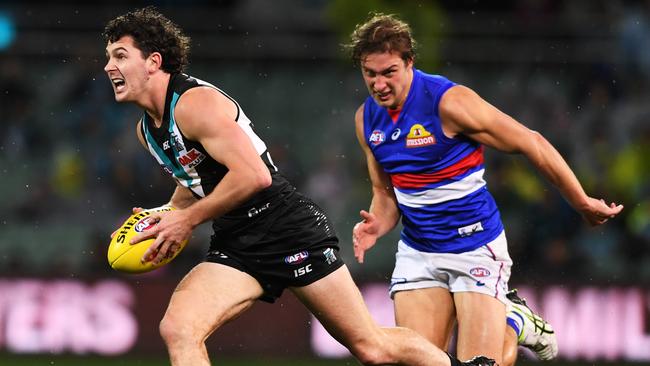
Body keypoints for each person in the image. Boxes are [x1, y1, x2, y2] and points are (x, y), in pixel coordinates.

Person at [102, 7, 495, 366]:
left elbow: (254, 176)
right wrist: (166, 215)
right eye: (109, 57)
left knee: (371, 348)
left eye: (120, 55)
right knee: (178, 328)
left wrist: (186, 222)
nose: (108, 66)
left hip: (286, 226)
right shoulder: (147, 131)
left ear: (154, 62)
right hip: (237, 239)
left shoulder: (195, 104)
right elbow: (192, 186)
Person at [346, 13, 624, 366]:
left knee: (481, 364)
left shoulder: (448, 102)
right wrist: (376, 226)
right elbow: (385, 194)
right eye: (370, 74)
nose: (379, 84)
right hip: (420, 251)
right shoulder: (366, 119)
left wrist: (581, 201)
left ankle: (513, 322)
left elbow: (531, 142)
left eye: (389, 72)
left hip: (474, 247)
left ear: (410, 62)